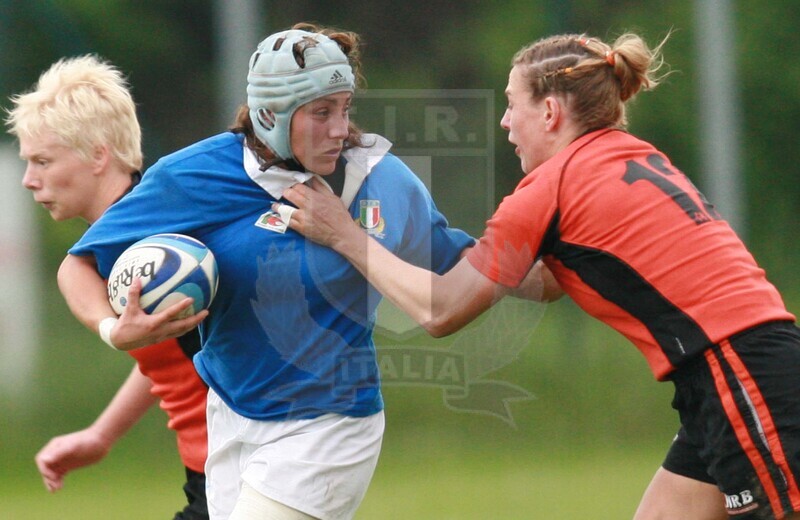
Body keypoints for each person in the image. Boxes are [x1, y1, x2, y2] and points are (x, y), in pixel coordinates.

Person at [279, 32, 800, 520]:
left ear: (550, 112)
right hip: (737, 371)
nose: (505, 122)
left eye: (512, 104)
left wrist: (345, 236)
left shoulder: (550, 186)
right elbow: (549, 280)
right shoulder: (627, 156)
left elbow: (439, 312)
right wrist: (453, 256)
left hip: (741, 376)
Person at [55, 23, 476, 520]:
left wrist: (553, 253)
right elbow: (78, 263)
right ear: (269, 114)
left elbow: (463, 266)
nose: (340, 128)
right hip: (232, 414)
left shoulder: (376, 177)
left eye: (344, 109)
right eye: (322, 113)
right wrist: (112, 329)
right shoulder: (196, 175)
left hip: (329, 425)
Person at [5, 55, 210, 519]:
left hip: (240, 464)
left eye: (42, 160)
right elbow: (168, 342)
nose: (29, 179)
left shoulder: (156, 253)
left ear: (99, 154)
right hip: (210, 469)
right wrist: (102, 434)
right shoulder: (124, 248)